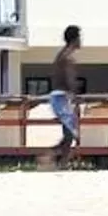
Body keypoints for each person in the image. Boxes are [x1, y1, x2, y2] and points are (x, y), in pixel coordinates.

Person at [44, 26, 85, 166]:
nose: (81, 40)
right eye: (79, 37)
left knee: (69, 134)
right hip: (61, 98)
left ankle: (60, 163)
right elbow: (69, 80)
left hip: (59, 97)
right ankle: (50, 157)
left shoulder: (62, 55)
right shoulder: (68, 58)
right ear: (75, 39)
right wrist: (75, 95)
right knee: (70, 134)